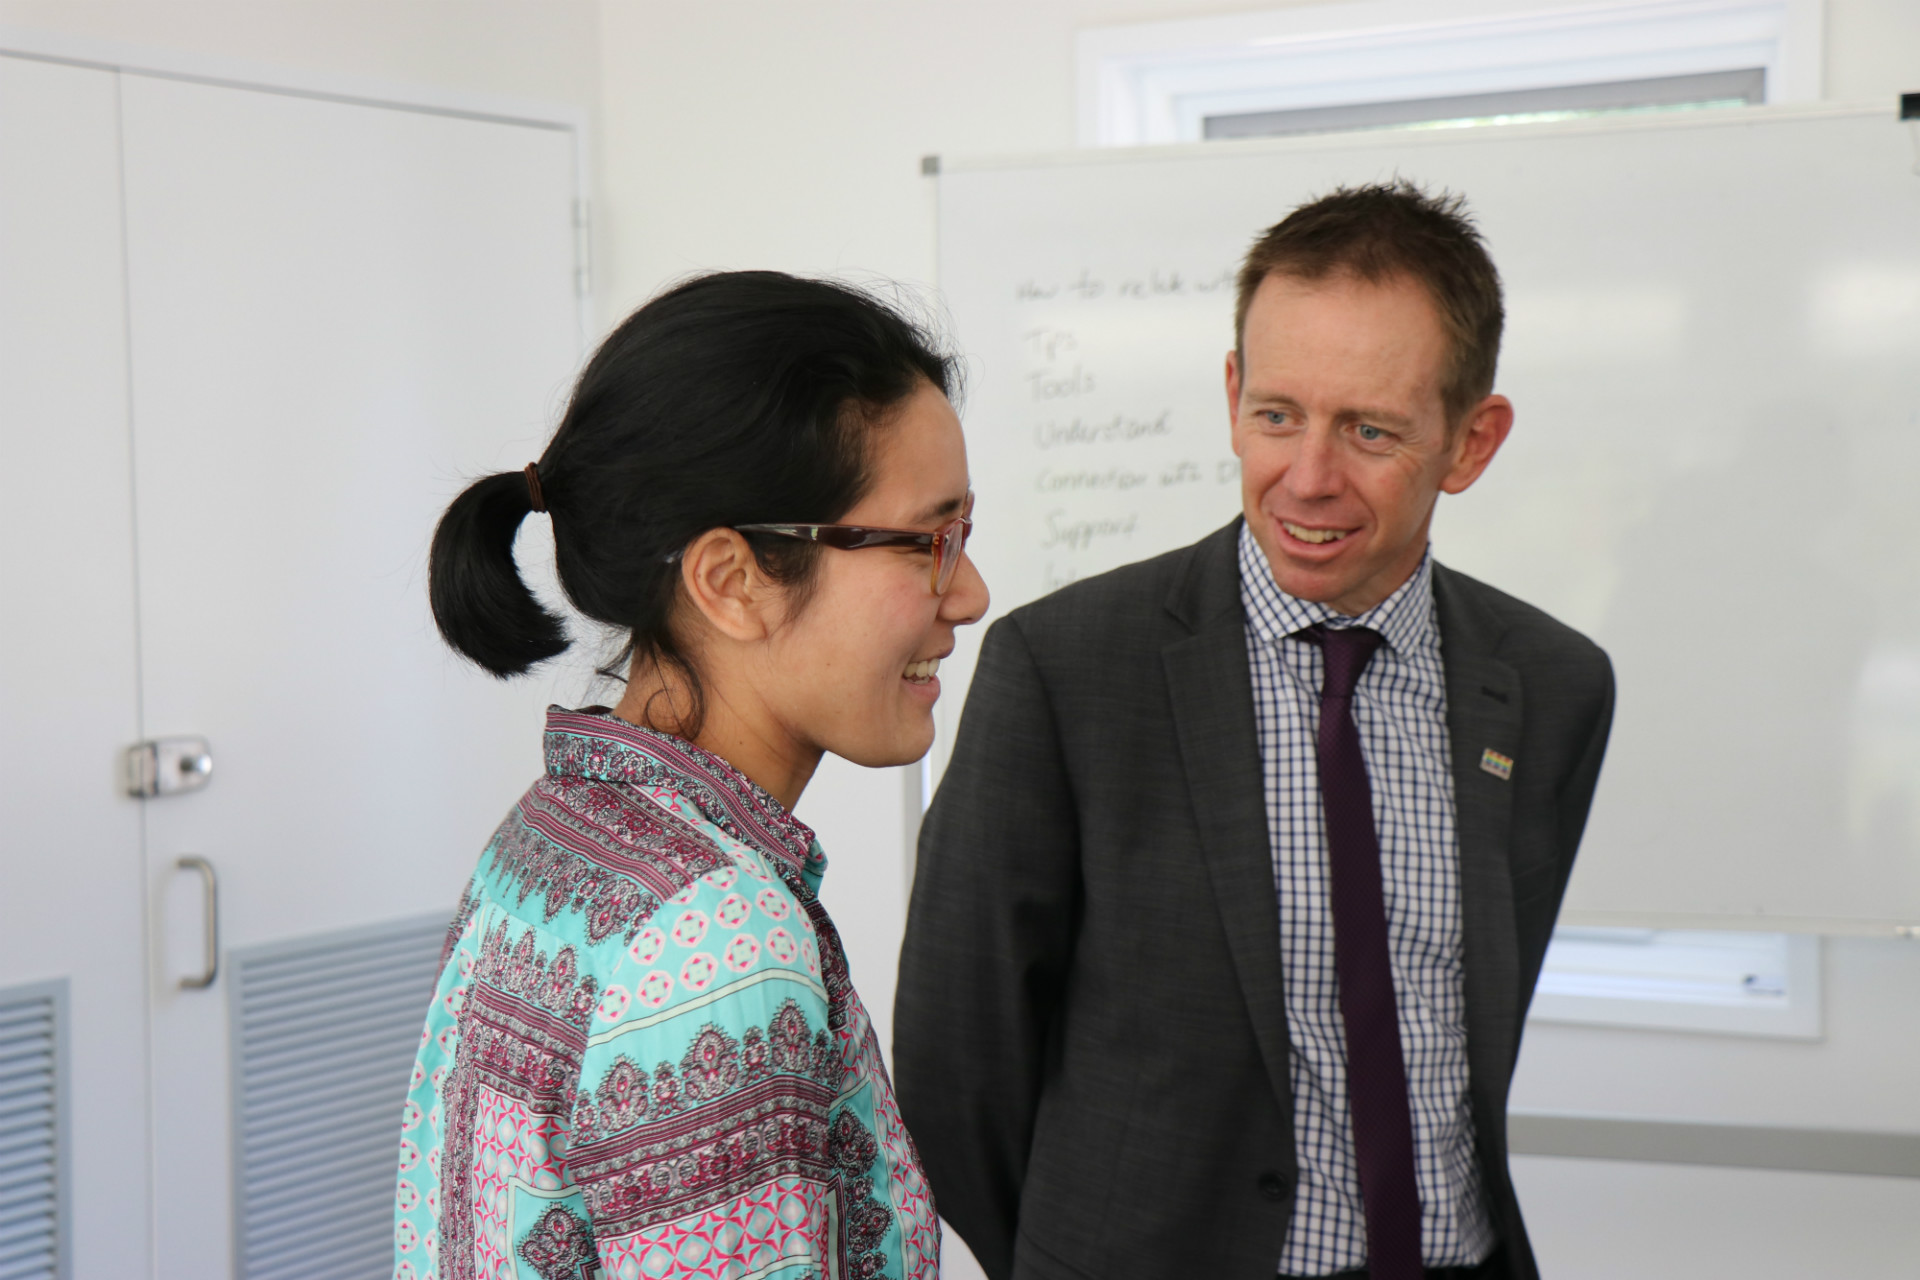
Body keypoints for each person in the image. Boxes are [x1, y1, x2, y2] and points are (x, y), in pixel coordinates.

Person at [895, 183, 1614, 1280]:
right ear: (1232, 395)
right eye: (1278, 414)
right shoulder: (1068, 670)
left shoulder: (1553, 685)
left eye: (1370, 430)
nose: (1309, 476)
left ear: (1472, 441)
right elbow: (958, 1062)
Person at [399, 271, 987, 1280]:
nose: (969, 593)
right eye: (927, 541)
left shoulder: (557, 831)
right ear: (732, 580)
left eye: (963, 535)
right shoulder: (718, 932)